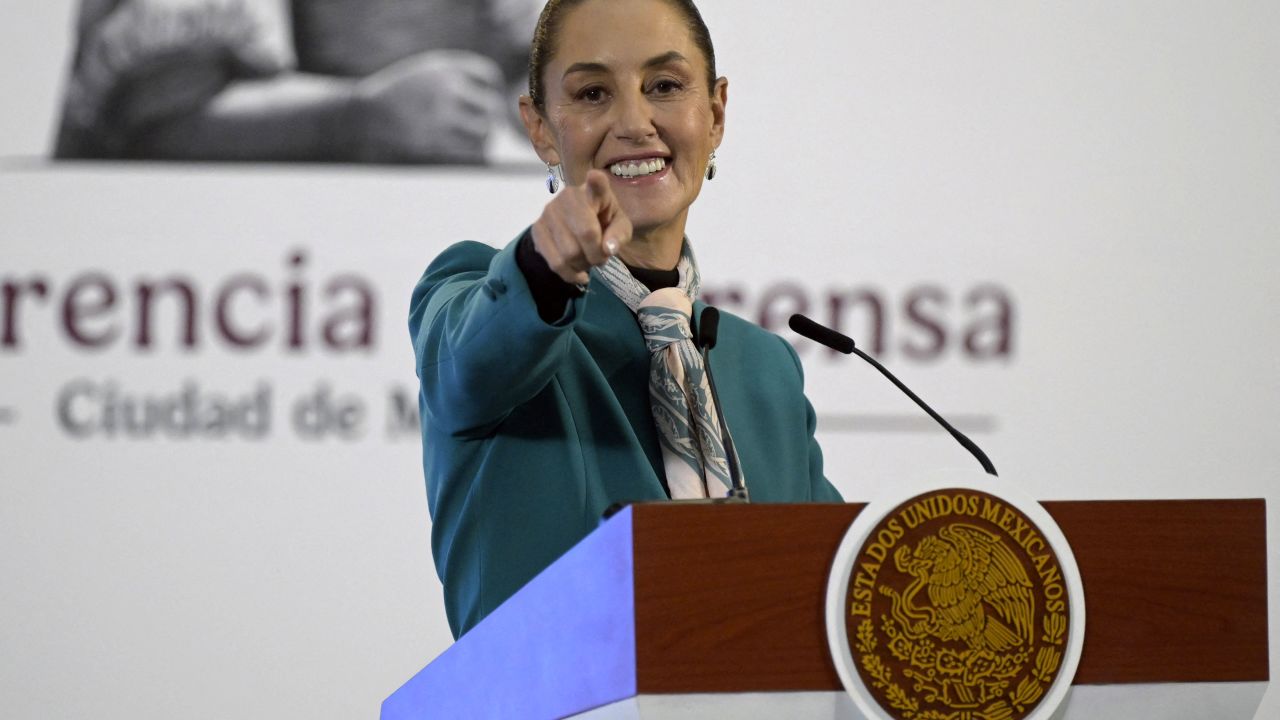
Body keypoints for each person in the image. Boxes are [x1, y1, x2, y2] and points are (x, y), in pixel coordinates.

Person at [410, 0, 843, 639]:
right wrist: (543, 264)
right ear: (538, 127)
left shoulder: (766, 369)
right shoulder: (489, 295)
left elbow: (834, 593)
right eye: (592, 93)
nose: (635, 122)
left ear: (716, 114)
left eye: (665, 86)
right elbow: (473, 360)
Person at [54, 0, 540, 163]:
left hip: (407, 265)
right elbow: (155, 121)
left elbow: (524, 61)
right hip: (212, 275)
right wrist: (358, 115)